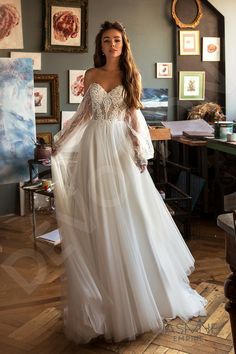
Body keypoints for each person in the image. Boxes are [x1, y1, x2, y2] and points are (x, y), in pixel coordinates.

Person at [51, 20, 207, 344]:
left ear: (124, 44)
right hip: (95, 150)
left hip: (120, 152)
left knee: (127, 217)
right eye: (107, 40)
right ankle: (101, 303)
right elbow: (83, 115)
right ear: (101, 45)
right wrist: (62, 138)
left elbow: (134, 118)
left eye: (117, 40)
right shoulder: (91, 75)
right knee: (96, 217)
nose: (112, 45)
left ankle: (136, 301)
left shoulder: (130, 76)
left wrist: (140, 150)